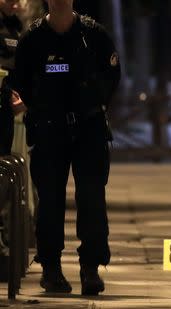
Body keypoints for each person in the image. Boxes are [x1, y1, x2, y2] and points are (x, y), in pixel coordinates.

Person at [14, 0, 121, 295]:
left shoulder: (92, 34)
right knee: (50, 201)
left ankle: (91, 268)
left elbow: (112, 75)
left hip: (88, 128)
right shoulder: (33, 39)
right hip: (49, 130)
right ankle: (51, 269)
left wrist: (91, 101)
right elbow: (20, 81)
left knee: (92, 198)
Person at [0, 0, 26, 156]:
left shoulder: (16, 25)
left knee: (6, 154)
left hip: (10, 101)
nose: (15, 6)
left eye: (16, 1)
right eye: (10, 1)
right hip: (4, 94)